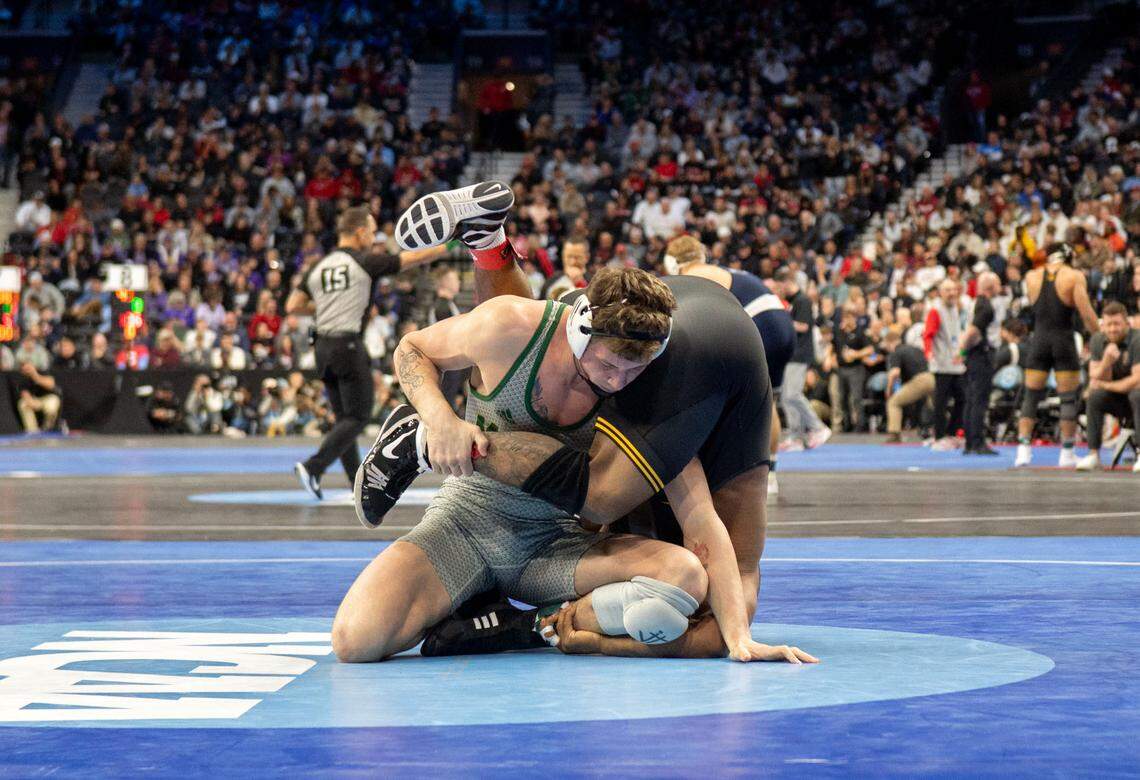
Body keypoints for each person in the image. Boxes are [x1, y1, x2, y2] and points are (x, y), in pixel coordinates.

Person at [357, 183, 815, 664]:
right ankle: (425, 431)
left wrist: (740, 639)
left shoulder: (641, 390)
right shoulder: (515, 324)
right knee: (358, 640)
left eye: (630, 371)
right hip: (469, 517)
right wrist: (440, 420)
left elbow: (700, 516)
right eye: (608, 366)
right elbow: (411, 348)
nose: (616, 381)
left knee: (681, 572)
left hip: (554, 543)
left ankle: (524, 625)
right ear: (579, 328)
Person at [286, 205, 447, 499]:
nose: (373, 239)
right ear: (360, 232)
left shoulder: (318, 267)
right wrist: (447, 243)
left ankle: (354, 483)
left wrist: (326, 306)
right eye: (372, 233)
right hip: (347, 345)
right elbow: (409, 259)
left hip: (321, 348)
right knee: (359, 417)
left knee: (344, 419)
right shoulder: (364, 262)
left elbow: (292, 305)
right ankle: (314, 467)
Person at [664, 234, 795, 499]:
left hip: (762, 328)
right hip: (781, 326)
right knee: (768, 402)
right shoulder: (721, 269)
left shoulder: (694, 274)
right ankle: (771, 472)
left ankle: (727, 467)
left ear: (673, 263)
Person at [1014, 244, 1100, 468]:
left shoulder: (1031, 277)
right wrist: (1100, 338)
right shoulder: (1073, 276)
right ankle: (1067, 452)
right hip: (1063, 340)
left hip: (1039, 341)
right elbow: (1087, 314)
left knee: (1031, 396)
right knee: (1068, 398)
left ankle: (1023, 450)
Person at [1076, 301, 1140, 472]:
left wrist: (1105, 384)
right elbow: (1094, 375)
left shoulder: (1137, 339)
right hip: (1120, 398)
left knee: (1137, 394)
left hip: (1136, 397)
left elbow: (1137, 380)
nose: (1112, 329)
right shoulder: (1098, 339)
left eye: (1117, 324)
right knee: (1095, 396)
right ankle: (1094, 455)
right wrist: (1106, 362)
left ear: (1127, 323)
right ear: (1102, 325)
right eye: (1108, 325)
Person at [774, 266, 830, 447]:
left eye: (779, 287)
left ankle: (818, 427)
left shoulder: (803, 301)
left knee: (793, 394)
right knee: (786, 397)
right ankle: (796, 436)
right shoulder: (793, 302)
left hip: (800, 354)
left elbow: (804, 326)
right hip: (792, 354)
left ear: (787, 283)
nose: (778, 291)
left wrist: (782, 320)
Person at [959, 272, 1001, 455]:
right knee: (979, 400)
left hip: (974, 355)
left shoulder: (976, 303)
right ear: (990, 286)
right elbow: (973, 332)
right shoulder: (986, 306)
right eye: (998, 284)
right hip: (981, 355)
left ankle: (970, 442)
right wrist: (961, 351)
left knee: (971, 399)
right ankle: (977, 442)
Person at [924, 279, 967, 451]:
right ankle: (939, 436)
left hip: (956, 363)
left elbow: (958, 334)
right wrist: (929, 353)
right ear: (941, 292)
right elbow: (928, 334)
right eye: (947, 290)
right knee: (941, 402)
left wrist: (962, 354)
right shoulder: (936, 310)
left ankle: (951, 432)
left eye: (954, 290)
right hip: (941, 363)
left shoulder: (956, 308)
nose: (951, 293)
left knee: (962, 398)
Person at [882, 326, 934, 443]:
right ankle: (945, 431)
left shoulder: (896, 352)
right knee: (935, 405)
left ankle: (894, 434)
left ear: (890, 343)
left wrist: (889, 389)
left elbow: (895, 373)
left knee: (893, 402)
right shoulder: (915, 348)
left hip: (920, 380)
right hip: (933, 377)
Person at [16, 362, 61, 434]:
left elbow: (50, 385)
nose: (28, 370)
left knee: (52, 404)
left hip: (48, 398)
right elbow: (25, 394)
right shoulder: (22, 379)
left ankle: (48, 429)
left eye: (29, 368)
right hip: (35, 401)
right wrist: (30, 402)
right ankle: (33, 432)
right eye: (25, 369)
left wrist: (35, 375)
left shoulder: (43, 372)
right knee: (23, 404)